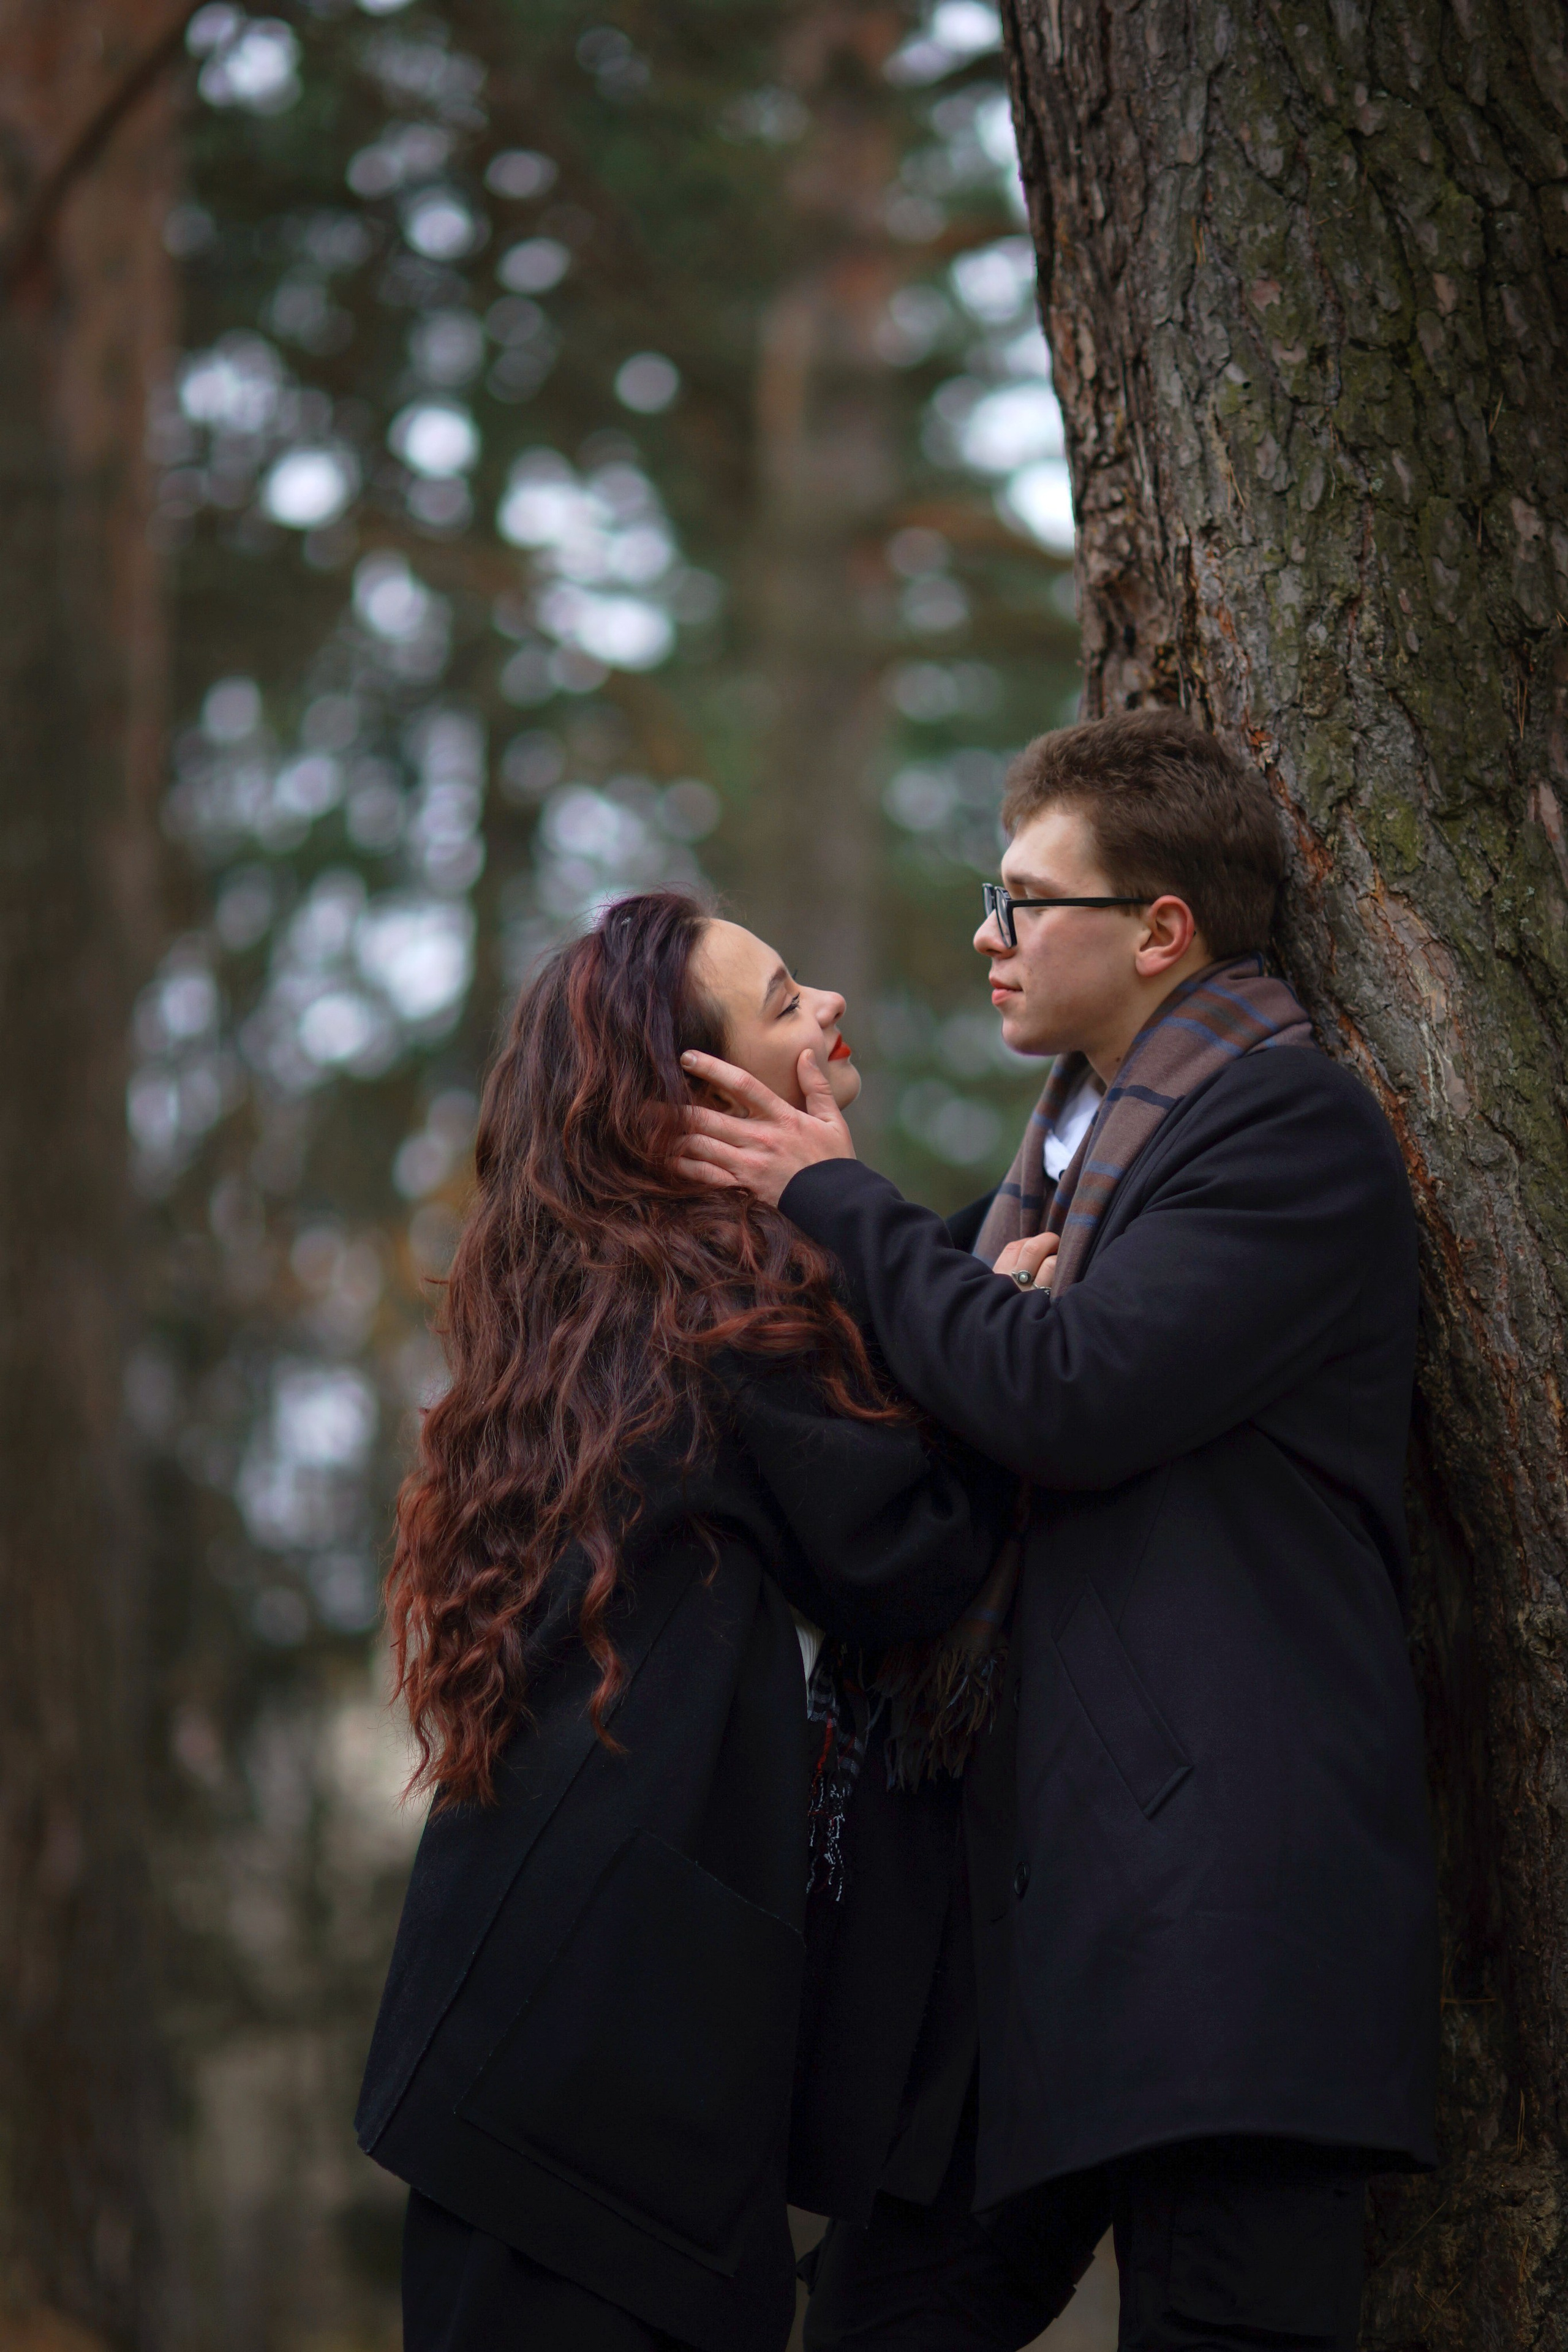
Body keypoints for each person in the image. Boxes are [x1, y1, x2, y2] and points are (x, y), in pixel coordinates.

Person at [677, 707, 1439, 2350]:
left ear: (1163, 929)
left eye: (1027, 901)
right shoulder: (1057, 1174)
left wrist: (837, 1194)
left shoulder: (1285, 1134)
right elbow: (934, 1349)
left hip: (1225, 1922)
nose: (985, 935)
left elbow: (1064, 1387)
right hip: (1031, 1926)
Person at [355, 891, 1014, 2352]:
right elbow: (909, 1544)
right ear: (685, 1114)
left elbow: (859, 1395)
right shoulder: (708, 1314)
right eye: (783, 1003)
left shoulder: (618, 1300)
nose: (830, 1004)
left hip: (532, 2044)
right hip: (589, 2075)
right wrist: (983, 1293)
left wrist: (957, 1267)